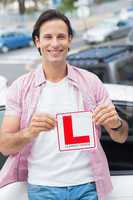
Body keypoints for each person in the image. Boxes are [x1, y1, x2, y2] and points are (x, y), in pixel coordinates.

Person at [0, 9, 128, 200]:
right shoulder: (20, 88)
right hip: (42, 188)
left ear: (69, 40)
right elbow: (5, 147)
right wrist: (29, 132)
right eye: (48, 37)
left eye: (61, 36)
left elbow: (121, 137)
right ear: (37, 42)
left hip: (87, 186)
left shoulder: (91, 82)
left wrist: (116, 123)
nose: (55, 43)